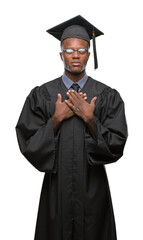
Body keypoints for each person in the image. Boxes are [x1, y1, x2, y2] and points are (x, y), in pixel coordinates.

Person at [15, 15, 128, 240]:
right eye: (69, 50)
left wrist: (90, 119)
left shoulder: (107, 96)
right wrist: (55, 120)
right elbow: (28, 144)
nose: (75, 55)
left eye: (82, 50)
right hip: (56, 193)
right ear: (61, 55)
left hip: (93, 192)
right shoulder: (42, 95)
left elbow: (117, 144)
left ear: (89, 53)